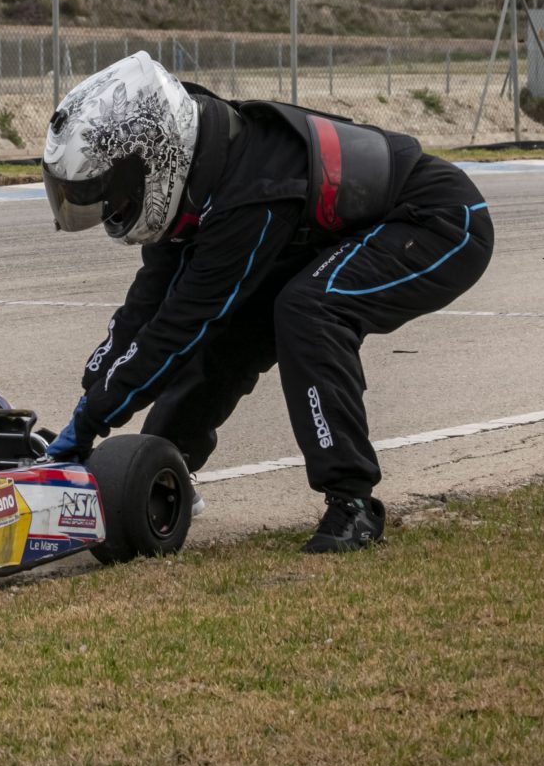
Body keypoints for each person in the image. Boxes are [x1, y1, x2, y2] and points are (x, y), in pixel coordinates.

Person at [41, 52, 492, 553]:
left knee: (307, 310)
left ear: (154, 156)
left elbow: (180, 325)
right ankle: (166, 469)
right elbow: (146, 305)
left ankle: (354, 505)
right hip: (346, 233)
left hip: (440, 221)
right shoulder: (196, 173)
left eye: (112, 190)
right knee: (241, 329)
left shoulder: (247, 194)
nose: (110, 208)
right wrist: (92, 397)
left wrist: (92, 421)